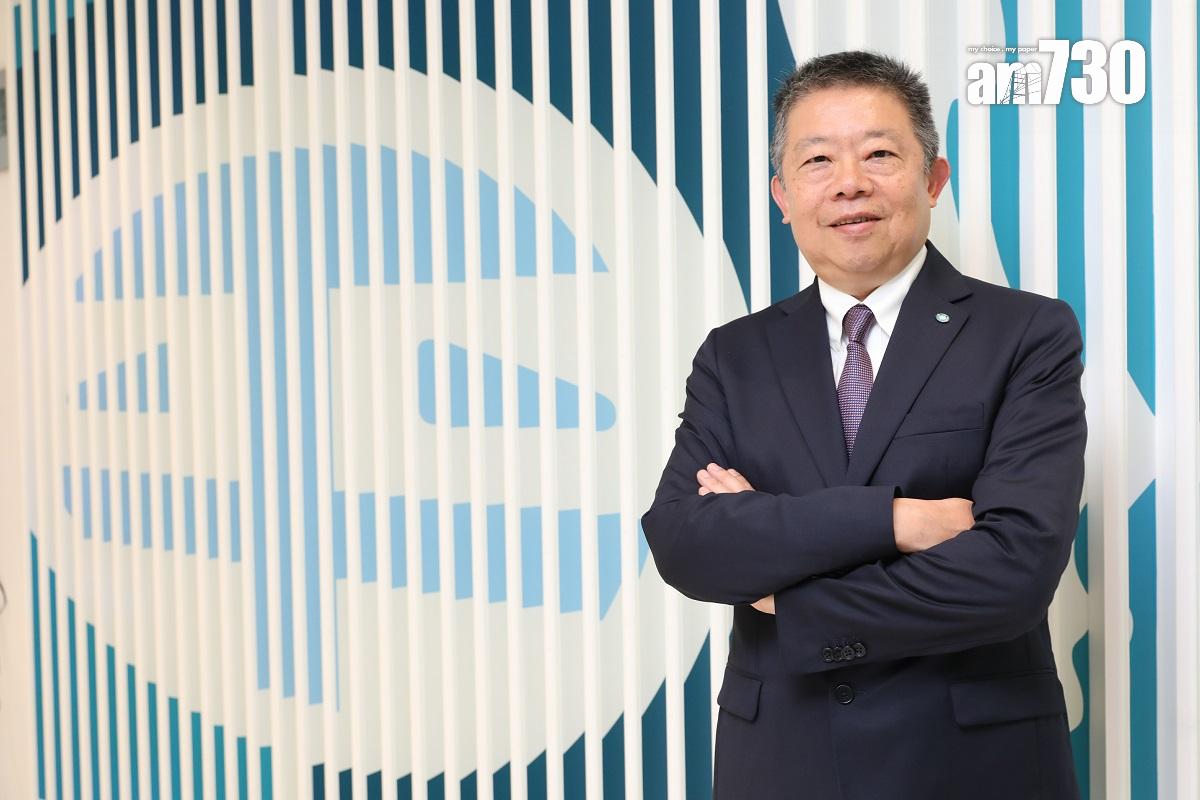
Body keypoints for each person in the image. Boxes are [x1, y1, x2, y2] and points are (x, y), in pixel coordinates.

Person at [641, 51, 1085, 799]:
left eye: (879, 154)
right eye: (818, 160)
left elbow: (1013, 572)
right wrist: (896, 520)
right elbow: (687, 542)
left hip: (971, 765)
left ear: (932, 179)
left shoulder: (1025, 334)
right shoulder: (735, 355)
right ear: (783, 196)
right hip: (782, 762)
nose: (849, 182)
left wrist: (788, 597)